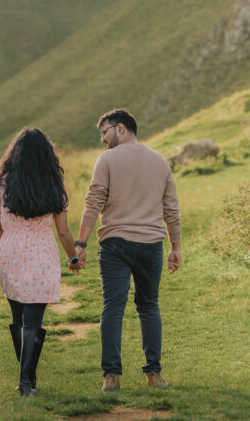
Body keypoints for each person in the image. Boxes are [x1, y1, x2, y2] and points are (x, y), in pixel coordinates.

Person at [74, 108, 182, 392]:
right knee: (149, 307)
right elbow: (171, 209)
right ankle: (154, 375)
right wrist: (176, 247)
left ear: (120, 129)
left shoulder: (107, 160)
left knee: (113, 307)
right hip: (151, 245)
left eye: (104, 132)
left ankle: (111, 377)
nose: (102, 140)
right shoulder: (160, 161)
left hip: (115, 244)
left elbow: (93, 202)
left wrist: (81, 243)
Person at [0, 127, 81, 396]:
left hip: (8, 253)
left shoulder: (1, 186)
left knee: (18, 319)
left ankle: (27, 380)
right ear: (46, 156)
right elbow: (62, 231)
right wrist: (73, 257)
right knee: (33, 321)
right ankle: (27, 381)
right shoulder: (54, 185)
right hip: (41, 256)